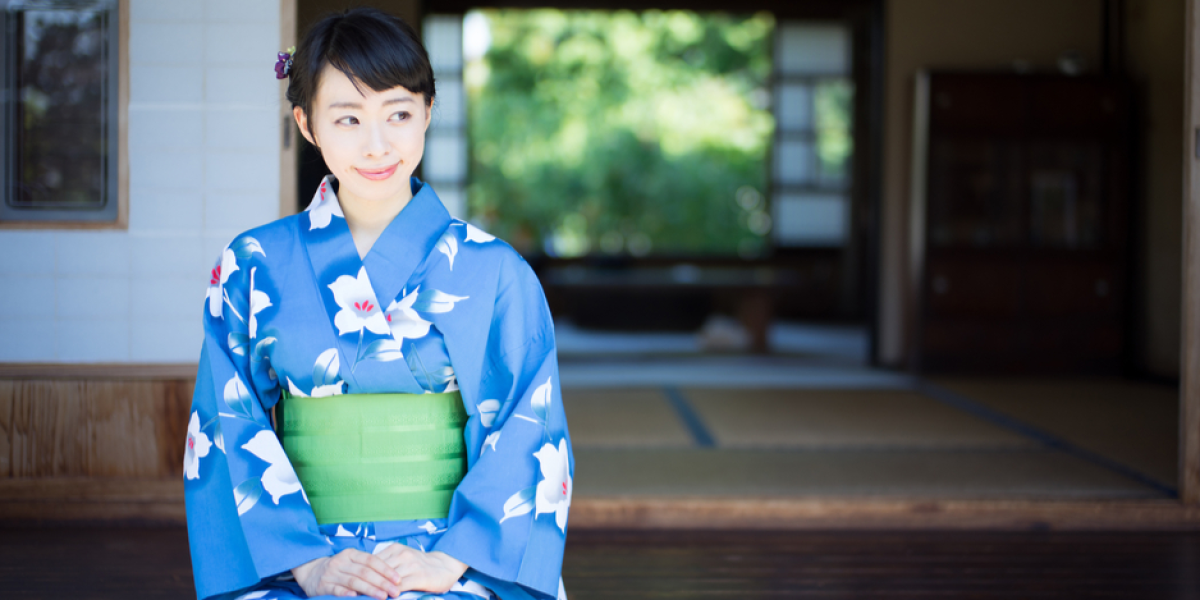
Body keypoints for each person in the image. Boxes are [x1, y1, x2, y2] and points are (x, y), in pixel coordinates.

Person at [183, 8, 573, 600]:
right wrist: (309, 566)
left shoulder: (494, 270)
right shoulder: (254, 263)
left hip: (454, 558)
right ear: (307, 124)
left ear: (429, 113)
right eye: (348, 118)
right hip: (297, 557)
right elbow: (225, 424)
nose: (377, 145)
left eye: (399, 114)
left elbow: (530, 429)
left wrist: (448, 562)